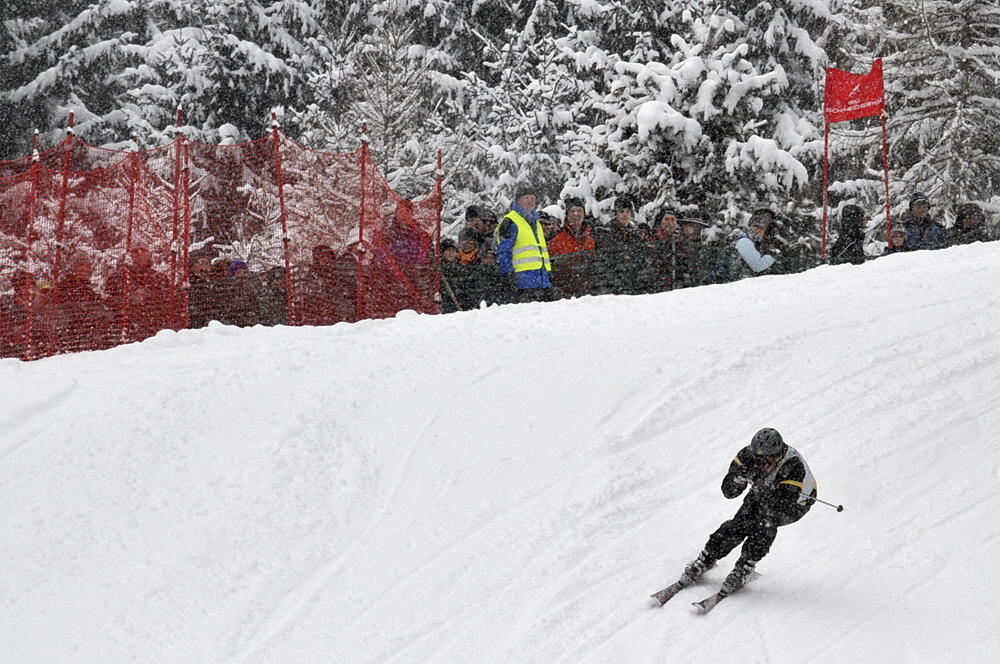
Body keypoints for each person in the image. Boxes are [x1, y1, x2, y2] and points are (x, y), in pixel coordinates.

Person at [679, 428, 817, 596]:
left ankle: (745, 567)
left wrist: (760, 483)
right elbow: (728, 492)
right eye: (758, 459)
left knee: (765, 524)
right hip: (763, 492)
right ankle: (707, 558)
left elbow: (781, 503)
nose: (762, 463)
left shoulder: (792, 465)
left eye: (768, 460)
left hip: (796, 503)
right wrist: (738, 478)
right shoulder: (746, 456)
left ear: (779, 454)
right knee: (739, 524)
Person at [105, 245, 177, 341]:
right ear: (129, 254)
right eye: (135, 251)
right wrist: (128, 300)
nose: (139, 254)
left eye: (143, 250)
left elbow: (165, 304)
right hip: (124, 329)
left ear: (149, 254)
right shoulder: (117, 277)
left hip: (153, 330)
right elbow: (109, 302)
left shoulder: (159, 278)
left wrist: (147, 296)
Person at [495, 185, 552, 303]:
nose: (530, 201)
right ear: (517, 201)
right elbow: (504, 251)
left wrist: (548, 275)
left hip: (542, 281)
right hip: (523, 283)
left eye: (533, 198)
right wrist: (508, 276)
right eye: (526, 198)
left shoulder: (536, 222)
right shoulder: (511, 222)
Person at [593, 195, 651, 295]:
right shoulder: (606, 233)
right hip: (613, 285)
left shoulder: (635, 235)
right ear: (616, 214)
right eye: (621, 211)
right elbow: (606, 260)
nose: (625, 215)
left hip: (634, 284)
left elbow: (641, 259)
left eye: (627, 212)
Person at [546, 197, 597, 298]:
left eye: (579, 211)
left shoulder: (593, 235)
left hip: (589, 293)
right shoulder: (556, 238)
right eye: (572, 211)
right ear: (567, 214)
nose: (576, 214)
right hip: (564, 293)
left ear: (584, 213)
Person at [734, 208, 778, 277]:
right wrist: (773, 255)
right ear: (750, 226)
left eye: (762, 229)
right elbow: (757, 266)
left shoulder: (756, 245)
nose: (758, 230)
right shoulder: (744, 241)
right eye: (756, 227)